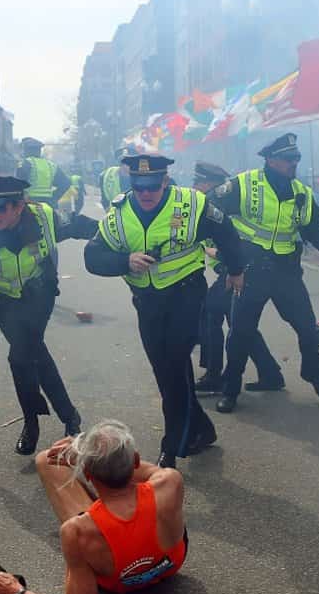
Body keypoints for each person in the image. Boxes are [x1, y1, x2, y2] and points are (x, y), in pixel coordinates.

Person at [84, 154, 244, 468]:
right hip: (148, 302)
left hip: (186, 295)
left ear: (165, 181)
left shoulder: (191, 204)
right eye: (139, 186)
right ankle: (202, 430)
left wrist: (236, 269)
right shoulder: (118, 214)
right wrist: (125, 261)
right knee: (167, 372)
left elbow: (227, 233)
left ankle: (172, 448)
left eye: (153, 186)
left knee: (173, 366)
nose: (146, 193)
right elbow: (92, 257)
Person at [0, 421, 186, 594]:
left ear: (86, 473)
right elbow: (144, 470)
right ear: (134, 460)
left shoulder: (76, 531)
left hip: (121, 582)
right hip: (170, 563)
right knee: (53, 460)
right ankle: (110, 478)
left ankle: (104, 492)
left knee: (47, 459)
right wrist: (95, 456)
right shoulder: (171, 481)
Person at [0, 175, 99, 454]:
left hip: (37, 293)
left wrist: (112, 237)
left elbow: (81, 225)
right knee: (35, 354)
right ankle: (69, 417)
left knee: (20, 356)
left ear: (19, 206)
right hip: (2, 302)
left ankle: (32, 424)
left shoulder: (45, 218)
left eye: (1, 208)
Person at [210, 134, 319, 415]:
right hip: (251, 270)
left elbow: (312, 225)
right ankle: (231, 390)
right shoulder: (245, 183)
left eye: (296, 159)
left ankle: (312, 374)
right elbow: (212, 213)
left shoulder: (301, 193)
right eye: (287, 159)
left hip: (286, 273)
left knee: (308, 328)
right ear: (270, 160)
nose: (293, 163)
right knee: (240, 334)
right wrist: (225, 259)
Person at [190, 162, 283, 394]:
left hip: (240, 271)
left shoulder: (225, 208)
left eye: (200, 183)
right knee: (240, 325)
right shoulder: (208, 205)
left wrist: (211, 252)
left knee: (211, 312)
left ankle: (215, 376)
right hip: (233, 270)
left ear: (213, 184)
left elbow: (235, 244)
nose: (196, 187)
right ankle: (270, 373)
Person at [17, 137, 71, 209]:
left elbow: (18, 184)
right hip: (49, 204)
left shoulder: (25, 163)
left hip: (30, 203)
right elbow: (66, 183)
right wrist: (54, 197)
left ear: (26, 150)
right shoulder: (51, 165)